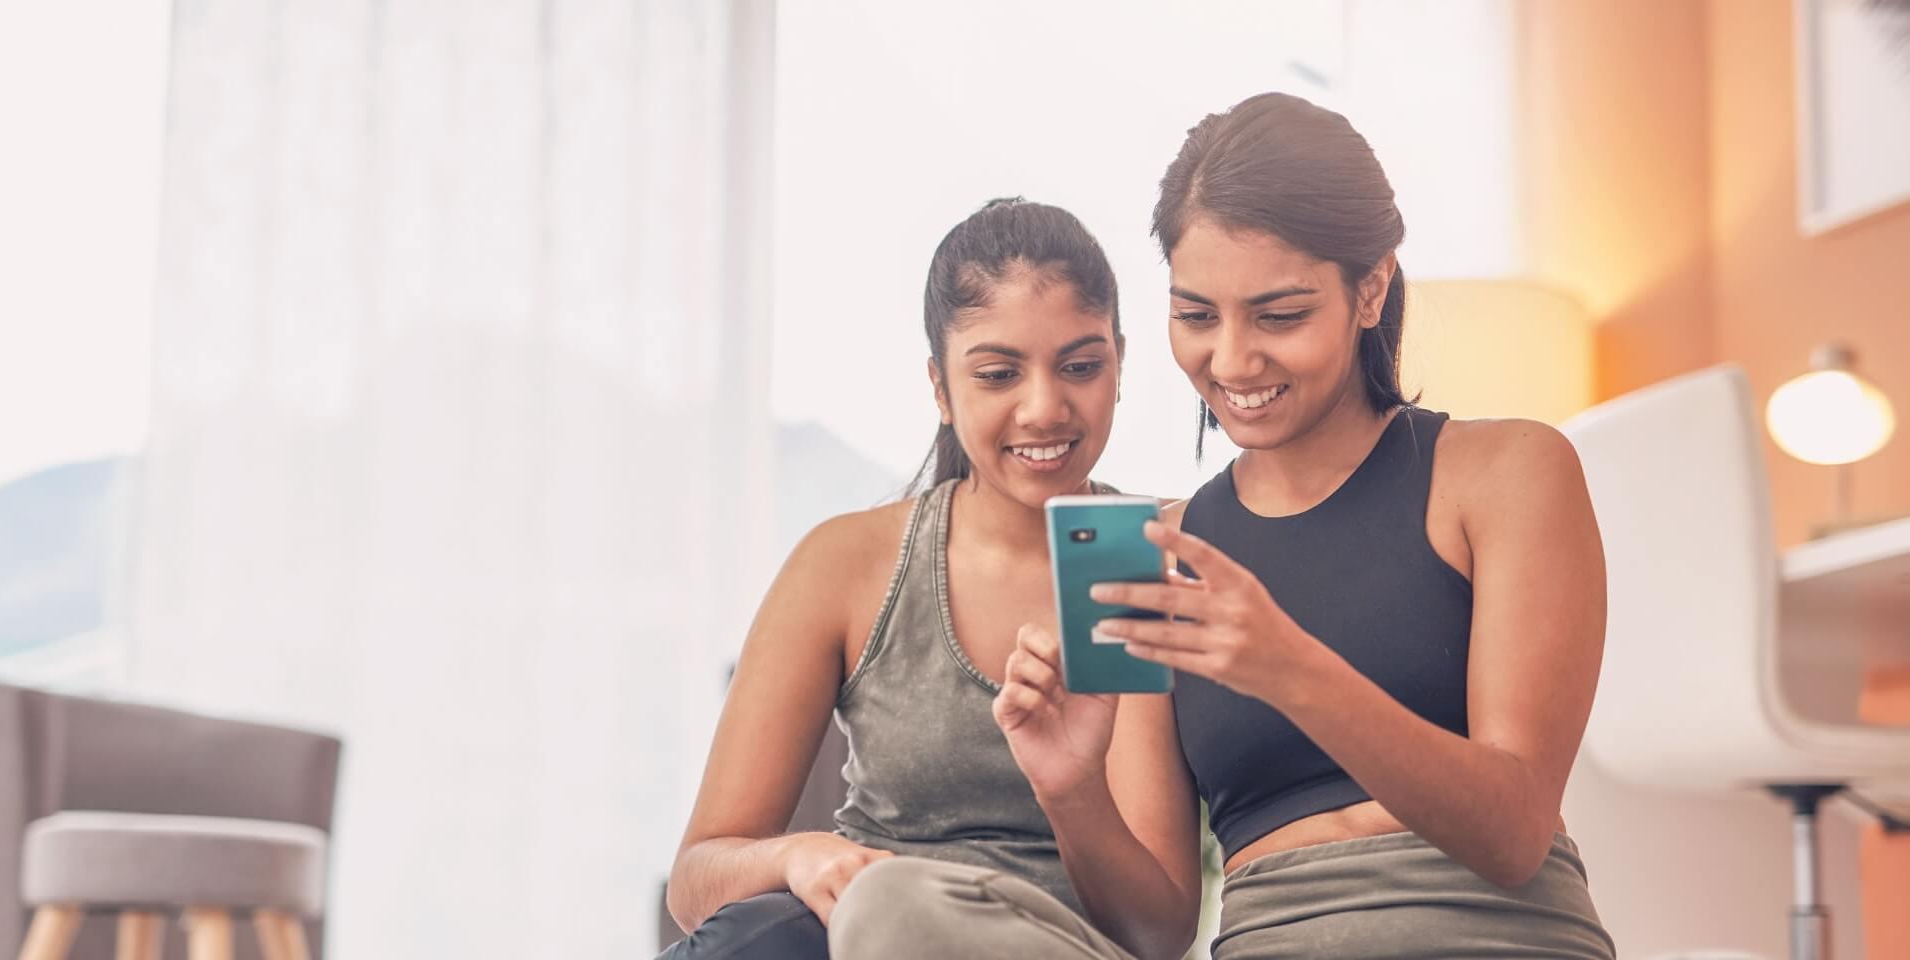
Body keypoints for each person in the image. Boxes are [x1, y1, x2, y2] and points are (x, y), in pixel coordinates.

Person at [826, 93, 1618, 960]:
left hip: (1493, 942)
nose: (1233, 361)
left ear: (1371, 288)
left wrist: (1287, 667)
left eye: (1279, 315)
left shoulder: (1507, 473)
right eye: (1197, 316)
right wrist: (1072, 789)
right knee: (895, 908)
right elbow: (1155, 931)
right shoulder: (1150, 548)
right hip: (1265, 943)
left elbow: (1512, 833)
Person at [659, 198, 1135, 958]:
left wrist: (1072, 791)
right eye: (997, 373)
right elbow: (697, 879)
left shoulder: (1139, 557)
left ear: (1119, 365)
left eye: (1080, 366)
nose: (1044, 407)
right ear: (942, 390)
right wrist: (796, 856)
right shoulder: (846, 564)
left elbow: (1158, 930)